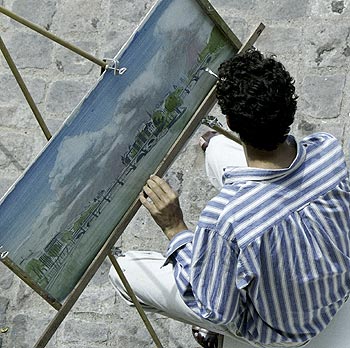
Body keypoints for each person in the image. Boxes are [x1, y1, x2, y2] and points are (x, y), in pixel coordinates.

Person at [109, 49, 350, 348]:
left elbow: (216, 308)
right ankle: (214, 145)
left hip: (283, 333)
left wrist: (175, 228)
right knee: (217, 148)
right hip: (336, 293)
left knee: (123, 273)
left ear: (231, 122)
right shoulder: (327, 150)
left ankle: (217, 341)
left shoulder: (225, 219)